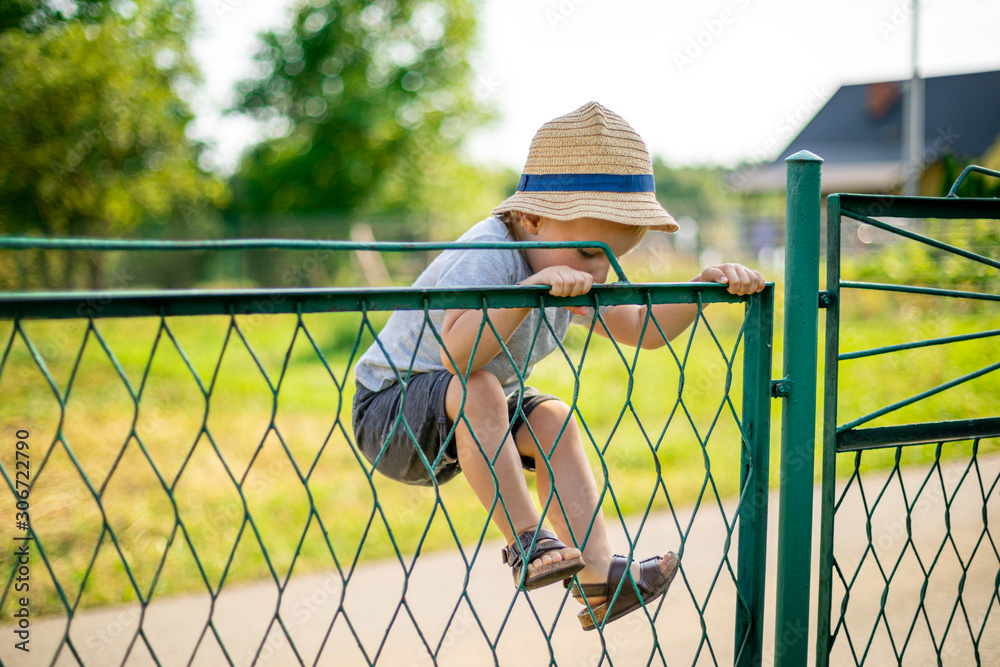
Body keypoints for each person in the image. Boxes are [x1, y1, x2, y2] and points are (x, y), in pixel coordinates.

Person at [352, 102, 765, 631]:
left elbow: (641, 328)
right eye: (592, 253)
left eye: (616, 256)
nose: (603, 271)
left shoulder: (561, 260)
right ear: (531, 218)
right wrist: (525, 295)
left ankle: (598, 577)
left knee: (554, 420)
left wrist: (702, 289)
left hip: (474, 413)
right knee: (479, 385)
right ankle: (526, 541)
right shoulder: (492, 255)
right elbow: (457, 356)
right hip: (390, 413)